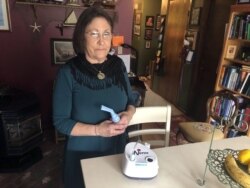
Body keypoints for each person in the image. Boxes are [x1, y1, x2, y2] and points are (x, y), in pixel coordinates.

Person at [52, 6, 136, 188]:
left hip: (117, 149)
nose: (102, 41)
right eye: (94, 34)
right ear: (82, 36)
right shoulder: (68, 72)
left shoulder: (118, 65)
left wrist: (128, 115)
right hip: (82, 155)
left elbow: (131, 100)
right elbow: (60, 122)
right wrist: (98, 130)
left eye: (106, 34)